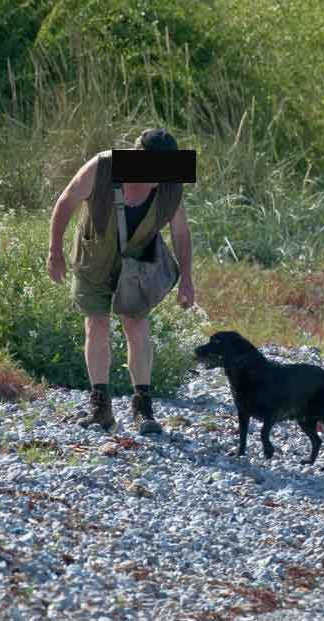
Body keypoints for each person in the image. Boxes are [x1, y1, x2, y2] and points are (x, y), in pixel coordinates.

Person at [46, 128, 195, 435]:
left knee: (136, 326)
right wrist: (54, 253)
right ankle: (100, 408)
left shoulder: (171, 183)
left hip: (137, 265)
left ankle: (144, 408)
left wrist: (187, 280)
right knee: (97, 324)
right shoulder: (102, 167)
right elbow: (66, 202)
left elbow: (181, 231)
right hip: (93, 259)